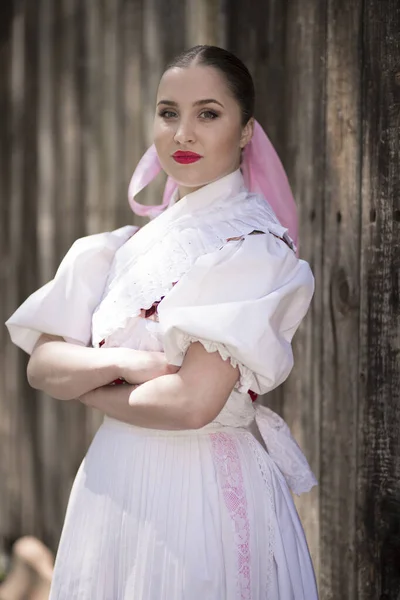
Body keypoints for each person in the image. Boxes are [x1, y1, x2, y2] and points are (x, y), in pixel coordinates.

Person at [6, 45, 319, 599]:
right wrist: (127, 363)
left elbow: (190, 403)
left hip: (198, 491)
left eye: (208, 113)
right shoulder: (119, 248)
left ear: (246, 132)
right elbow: (45, 365)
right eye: (169, 112)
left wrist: (88, 390)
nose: (183, 133)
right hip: (112, 484)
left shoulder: (250, 249)